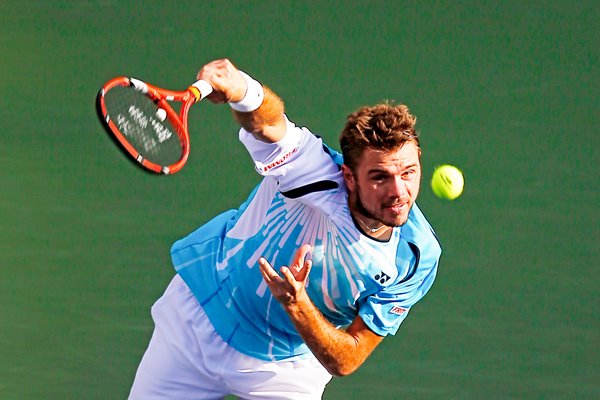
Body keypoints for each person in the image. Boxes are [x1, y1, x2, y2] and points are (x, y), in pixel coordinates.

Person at [128, 58, 442, 399]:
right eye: (380, 177)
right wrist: (241, 89)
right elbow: (270, 125)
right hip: (198, 320)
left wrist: (297, 303)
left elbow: (348, 358)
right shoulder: (316, 171)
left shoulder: (416, 256)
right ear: (349, 178)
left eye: (409, 172)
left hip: (286, 366)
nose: (399, 191)